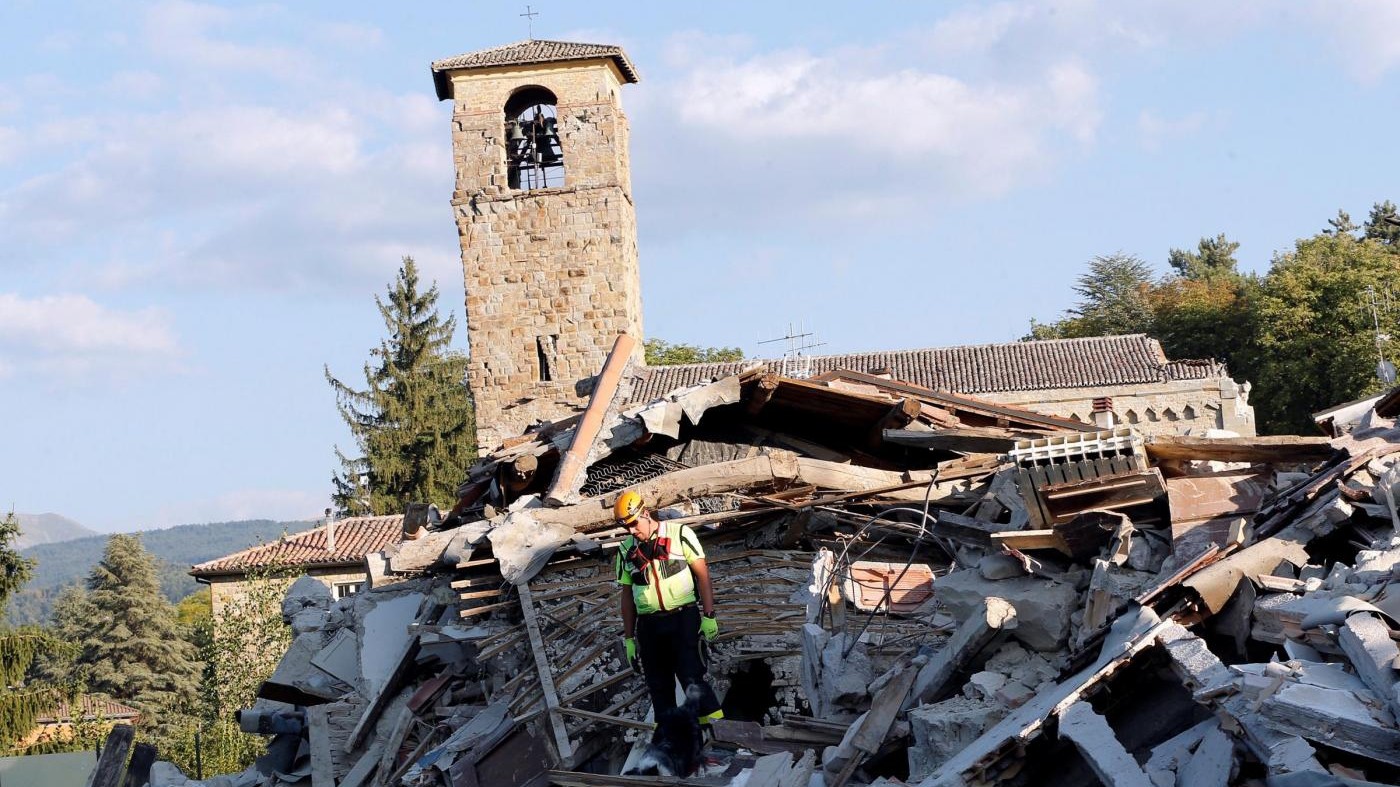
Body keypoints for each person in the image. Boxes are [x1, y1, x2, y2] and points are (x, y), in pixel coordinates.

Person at [614, 490, 724, 726]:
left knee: (691, 676)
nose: (632, 531)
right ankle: (670, 744)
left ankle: (718, 735)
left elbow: (703, 575)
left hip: (683, 617)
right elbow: (626, 596)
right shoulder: (625, 551)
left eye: (634, 524)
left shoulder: (680, 534)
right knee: (658, 684)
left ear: (645, 513)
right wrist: (629, 638)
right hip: (649, 626)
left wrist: (709, 615)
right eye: (626, 528)